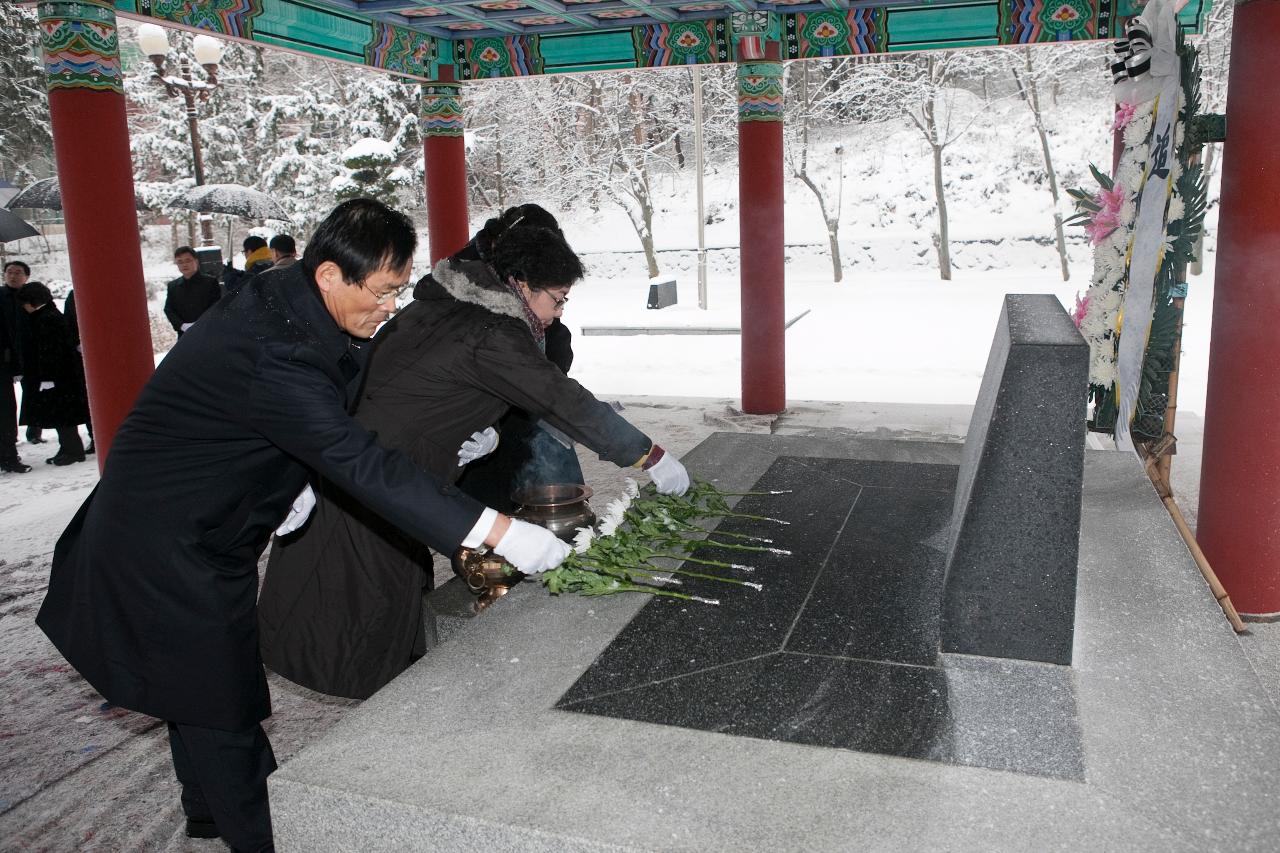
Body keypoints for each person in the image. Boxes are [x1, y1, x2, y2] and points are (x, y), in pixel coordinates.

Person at [35, 199, 571, 852]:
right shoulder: (278, 347)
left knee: (195, 676)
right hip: (163, 540)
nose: (389, 309)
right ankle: (261, 835)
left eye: (398, 291)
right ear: (328, 276)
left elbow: (322, 424)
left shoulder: (295, 302)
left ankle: (205, 811)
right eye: (381, 293)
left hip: (214, 527)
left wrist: (290, 483)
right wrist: (498, 530)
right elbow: (359, 461)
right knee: (221, 702)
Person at [258, 223, 690, 701]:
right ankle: (381, 718)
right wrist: (648, 454)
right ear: (522, 284)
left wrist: (486, 429)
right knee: (358, 604)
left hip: (375, 471)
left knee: (382, 587)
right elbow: (561, 399)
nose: (558, 312)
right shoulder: (493, 332)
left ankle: (395, 683)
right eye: (558, 298)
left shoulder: (444, 306)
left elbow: (435, 386)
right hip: (380, 481)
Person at [454, 205, 582, 512]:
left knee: (558, 494)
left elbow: (552, 340)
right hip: (480, 428)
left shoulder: (531, 297)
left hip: (527, 410)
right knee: (488, 523)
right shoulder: (465, 284)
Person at [15, 282, 89, 465]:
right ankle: (66, 448)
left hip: (57, 377)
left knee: (62, 416)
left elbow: (51, 351)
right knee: (59, 416)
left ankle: (74, 451)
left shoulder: (47, 319)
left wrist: (48, 377)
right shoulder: (47, 315)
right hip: (58, 376)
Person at [2, 260, 33, 472]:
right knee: (5, 409)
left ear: (26, 277)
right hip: (3, 361)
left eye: (18, 272)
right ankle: (8, 455)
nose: (13, 276)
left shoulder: (32, 297)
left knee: (35, 399)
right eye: (9, 272)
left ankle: (35, 433)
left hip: (29, 359)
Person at [163, 246, 221, 337]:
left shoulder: (210, 282)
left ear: (196, 261)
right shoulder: (173, 286)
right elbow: (169, 309)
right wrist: (182, 325)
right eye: (180, 262)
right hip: (184, 335)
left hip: (208, 333)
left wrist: (200, 324)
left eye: (188, 260)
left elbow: (216, 306)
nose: (184, 265)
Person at [62, 289, 94, 454]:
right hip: (83, 354)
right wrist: (76, 343)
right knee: (90, 396)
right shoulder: (75, 294)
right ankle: (95, 436)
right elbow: (69, 322)